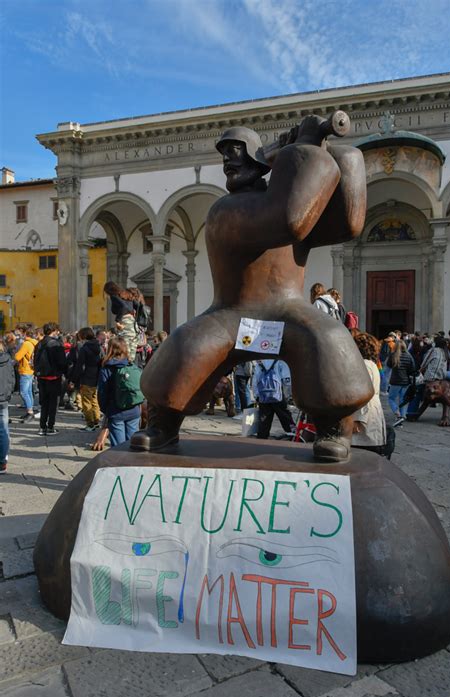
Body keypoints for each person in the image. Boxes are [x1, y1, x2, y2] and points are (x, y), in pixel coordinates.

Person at [132, 118, 372, 464]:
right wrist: (299, 151)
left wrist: (332, 152)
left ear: (259, 161)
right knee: (187, 346)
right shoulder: (226, 211)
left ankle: (333, 428)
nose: (229, 161)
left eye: (237, 153)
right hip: (231, 313)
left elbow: (347, 222)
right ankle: (163, 423)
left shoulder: (288, 196)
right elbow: (288, 218)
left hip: (287, 310)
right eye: (225, 155)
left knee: (327, 339)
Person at [97, 337, 142, 447]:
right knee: (133, 445)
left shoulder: (106, 369)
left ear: (110, 349)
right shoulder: (132, 366)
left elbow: (102, 393)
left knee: (119, 447)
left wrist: (105, 410)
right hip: (133, 410)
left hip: (115, 411)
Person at [351, 332, 387, 455]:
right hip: (372, 412)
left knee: (362, 455)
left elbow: (364, 394)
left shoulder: (364, 365)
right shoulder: (371, 364)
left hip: (365, 417)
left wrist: (358, 420)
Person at [33, 322, 67, 435]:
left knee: (44, 403)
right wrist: (65, 373)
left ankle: (42, 427)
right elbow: (62, 362)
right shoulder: (56, 344)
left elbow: (35, 360)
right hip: (54, 377)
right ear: (54, 331)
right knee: (53, 403)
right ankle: (50, 426)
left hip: (41, 377)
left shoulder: (39, 344)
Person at [253, 359, 295, 439]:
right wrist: (287, 395)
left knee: (264, 418)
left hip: (263, 395)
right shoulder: (280, 361)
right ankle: (292, 434)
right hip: (278, 395)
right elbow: (287, 380)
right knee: (285, 416)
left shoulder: (260, 362)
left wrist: (256, 395)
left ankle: (262, 437)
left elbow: (255, 380)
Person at [71, 327, 102, 432]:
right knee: (94, 400)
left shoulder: (84, 348)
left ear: (83, 336)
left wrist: (74, 379)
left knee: (86, 402)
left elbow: (80, 365)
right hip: (96, 376)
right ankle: (97, 421)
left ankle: (90, 424)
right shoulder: (99, 346)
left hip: (87, 377)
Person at [103, 282, 140, 363]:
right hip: (133, 324)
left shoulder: (114, 296)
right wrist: (134, 317)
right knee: (131, 351)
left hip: (125, 323)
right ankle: (131, 368)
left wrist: (117, 321)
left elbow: (123, 307)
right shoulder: (124, 295)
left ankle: (125, 370)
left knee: (124, 347)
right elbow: (137, 306)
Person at [386, 339, 416, 427]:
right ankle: (402, 416)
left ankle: (397, 413)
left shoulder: (393, 356)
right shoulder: (409, 356)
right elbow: (412, 369)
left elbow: (388, 368)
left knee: (391, 398)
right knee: (403, 400)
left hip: (395, 381)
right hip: (406, 382)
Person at [14, 328, 38, 422]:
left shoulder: (26, 344)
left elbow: (17, 356)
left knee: (24, 392)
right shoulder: (35, 343)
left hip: (25, 369)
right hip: (31, 370)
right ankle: (29, 411)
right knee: (28, 392)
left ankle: (30, 412)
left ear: (25, 334)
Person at [0, 341, 15, 473]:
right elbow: (12, 378)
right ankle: (2, 462)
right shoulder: (8, 359)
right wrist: (8, 393)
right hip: (3, 398)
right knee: (4, 430)